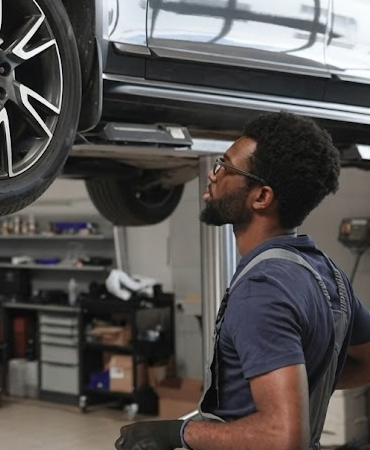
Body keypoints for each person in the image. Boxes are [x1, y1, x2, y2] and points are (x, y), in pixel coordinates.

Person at [116, 111, 370, 450]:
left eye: (225, 166)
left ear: (261, 197)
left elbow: (283, 437)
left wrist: (177, 433)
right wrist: (295, 387)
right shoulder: (328, 273)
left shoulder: (262, 289)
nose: (212, 174)